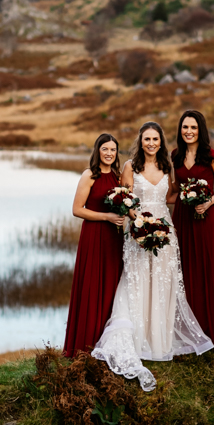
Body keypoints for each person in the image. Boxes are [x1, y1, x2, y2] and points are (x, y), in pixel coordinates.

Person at [91, 122, 214, 390]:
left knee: (162, 282)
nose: (151, 143)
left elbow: (168, 196)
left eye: (155, 139)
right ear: (140, 141)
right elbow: (124, 199)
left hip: (165, 231)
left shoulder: (167, 166)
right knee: (136, 281)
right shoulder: (130, 167)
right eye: (147, 139)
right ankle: (135, 340)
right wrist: (139, 222)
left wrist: (193, 196)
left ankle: (159, 342)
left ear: (160, 142)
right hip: (138, 229)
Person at [171, 110, 214, 355]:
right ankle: (188, 336)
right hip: (182, 218)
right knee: (184, 269)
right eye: (185, 127)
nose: (188, 131)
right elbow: (175, 187)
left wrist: (210, 201)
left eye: (193, 127)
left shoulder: (211, 155)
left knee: (207, 269)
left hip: (205, 217)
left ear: (201, 130)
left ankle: (212, 334)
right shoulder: (175, 155)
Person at [63, 133, 127, 357]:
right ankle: (84, 345)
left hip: (114, 238)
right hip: (93, 236)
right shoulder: (89, 175)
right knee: (92, 286)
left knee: (111, 286)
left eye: (113, 150)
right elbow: (77, 209)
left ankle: (106, 343)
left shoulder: (119, 178)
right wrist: (106, 217)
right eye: (105, 149)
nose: (109, 153)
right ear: (97, 151)